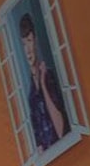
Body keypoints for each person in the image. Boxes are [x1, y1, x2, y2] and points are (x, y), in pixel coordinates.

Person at [18, 13, 71, 152]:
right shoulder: (31, 96)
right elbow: (39, 146)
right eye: (24, 43)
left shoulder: (49, 77)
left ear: (35, 41)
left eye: (29, 40)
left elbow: (61, 131)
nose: (28, 49)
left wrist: (43, 85)